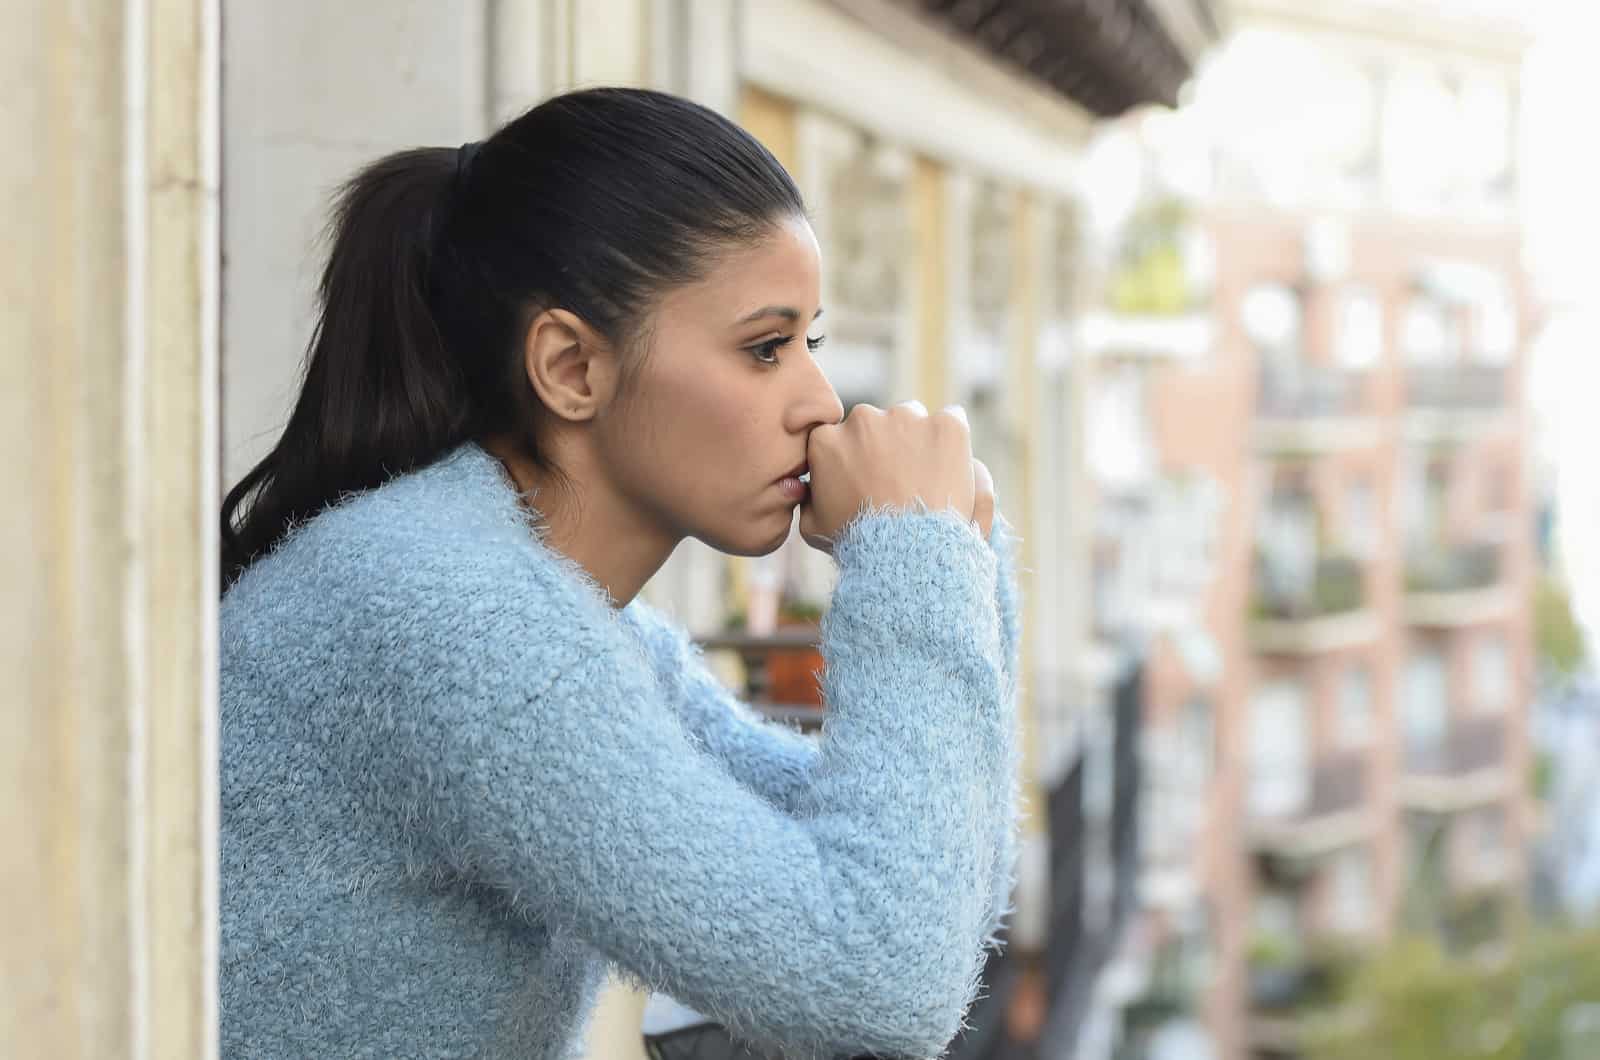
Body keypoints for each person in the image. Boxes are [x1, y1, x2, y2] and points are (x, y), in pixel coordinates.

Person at [218, 86, 1022, 1060]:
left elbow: (920, 874)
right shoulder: (457, 623)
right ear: (569, 367)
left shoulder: (554, 617)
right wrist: (914, 553)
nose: (819, 400)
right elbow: (876, 984)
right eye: (765, 347)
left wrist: (955, 560)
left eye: (809, 344)